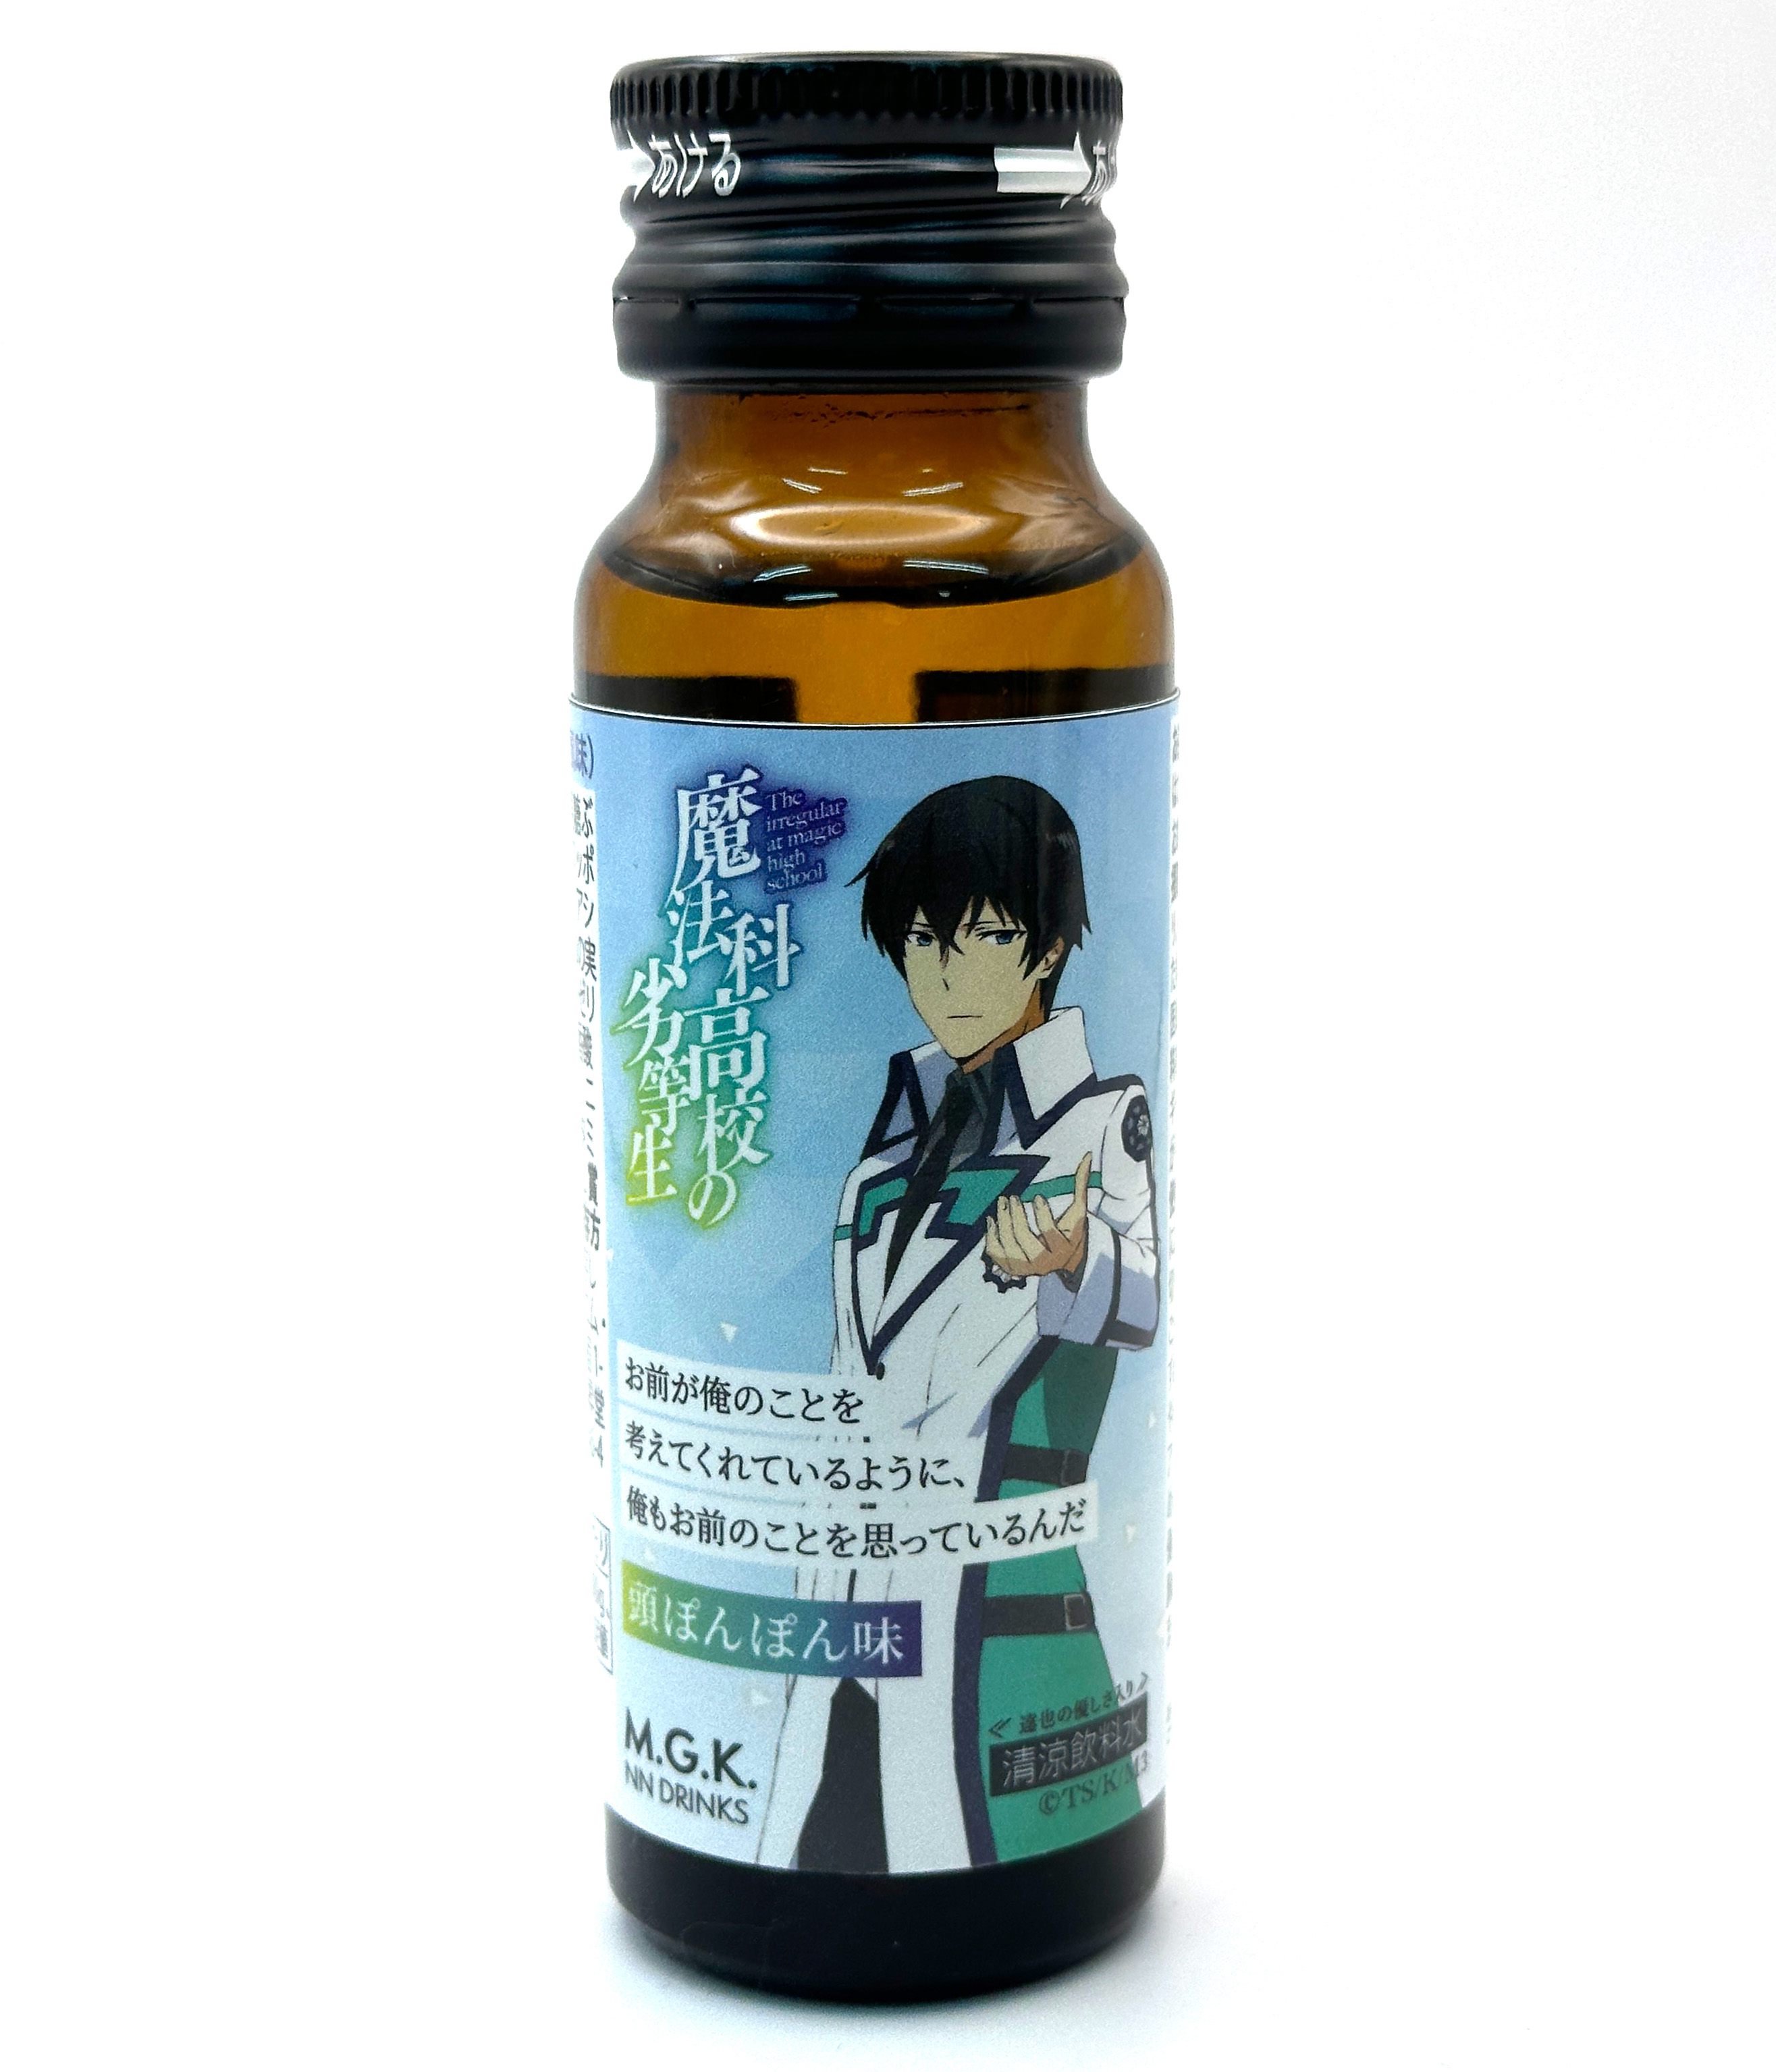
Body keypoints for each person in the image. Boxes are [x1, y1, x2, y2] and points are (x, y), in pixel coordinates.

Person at [753, 775, 1160, 1873]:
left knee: (979, 1832)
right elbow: (855, 1375)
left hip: (996, 1595)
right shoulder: (878, 1173)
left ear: (1049, 947)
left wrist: (1076, 1259)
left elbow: (1143, 1297)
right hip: (848, 1593)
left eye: (987, 936)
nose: (951, 973)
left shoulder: (1097, 1126)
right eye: (926, 942)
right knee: (811, 1834)